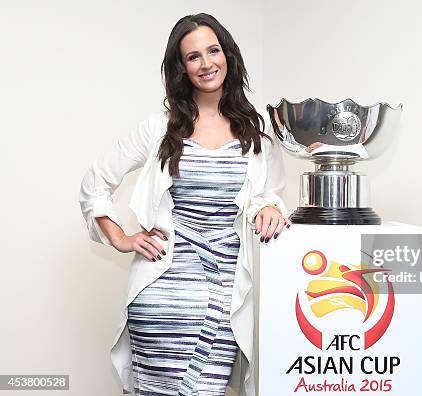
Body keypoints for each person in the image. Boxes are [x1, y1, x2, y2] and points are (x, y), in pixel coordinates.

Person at [78, 13, 289, 396]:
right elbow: (95, 183)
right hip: (163, 288)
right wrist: (121, 238)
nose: (206, 63)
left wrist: (271, 208)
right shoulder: (159, 126)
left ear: (228, 55)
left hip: (224, 288)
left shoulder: (256, 129)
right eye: (193, 57)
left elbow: (267, 195)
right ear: (181, 68)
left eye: (213, 51)